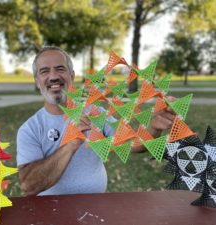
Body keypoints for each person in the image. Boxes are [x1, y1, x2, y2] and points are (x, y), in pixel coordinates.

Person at [16, 46, 176, 196]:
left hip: (96, 207)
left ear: (71, 76)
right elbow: (29, 186)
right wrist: (70, 144)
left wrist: (154, 128)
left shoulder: (96, 113)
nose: (53, 76)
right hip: (52, 212)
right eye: (44, 71)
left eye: (60, 69)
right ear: (37, 81)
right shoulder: (30, 129)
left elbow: (133, 146)